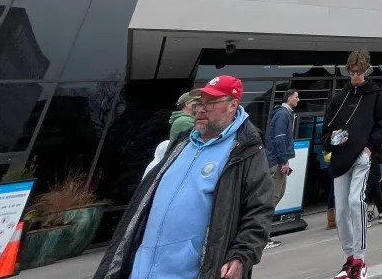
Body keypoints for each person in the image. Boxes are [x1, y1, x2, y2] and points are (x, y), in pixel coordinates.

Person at [93, 75, 273, 279]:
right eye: (199, 103)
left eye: (211, 102)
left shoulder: (245, 150)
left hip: (189, 272)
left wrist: (242, 254)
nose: (202, 108)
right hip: (142, 270)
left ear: (232, 105)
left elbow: (260, 208)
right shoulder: (182, 143)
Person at [323, 50, 382, 279]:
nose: (355, 76)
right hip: (340, 158)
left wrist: (369, 149)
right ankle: (350, 258)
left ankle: (360, 259)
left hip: (362, 156)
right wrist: (332, 139)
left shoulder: (375, 95)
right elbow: (325, 131)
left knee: (355, 201)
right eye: (352, 72)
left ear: (366, 71)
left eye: (359, 72)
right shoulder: (338, 98)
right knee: (341, 209)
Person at [264, 88, 299, 249]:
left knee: (278, 194)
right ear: (289, 98)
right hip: (276, 162)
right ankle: (262, 237)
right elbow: (279, 138)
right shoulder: (283, 114)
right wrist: (283, 160)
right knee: (272, 197)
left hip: (276, 161)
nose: (298, 100)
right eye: (296, 97)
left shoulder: (283, 114)